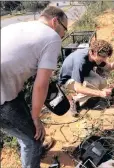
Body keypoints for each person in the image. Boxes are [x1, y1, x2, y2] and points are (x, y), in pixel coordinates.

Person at [0, 6, 68, 168]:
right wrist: (36, 118)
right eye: (63, 31)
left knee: (24, 130)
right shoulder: (52, 37)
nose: (62, 36)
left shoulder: (18, 26)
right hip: (3, 98)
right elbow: (40, 85)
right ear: (55, 21)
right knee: (33, 139)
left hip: (9, 92)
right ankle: (30, 150)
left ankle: (27, 148)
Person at [58, 40, 114, 117]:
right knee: (93, 85)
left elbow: (109, 67)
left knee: (102, 82)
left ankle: (89, 95)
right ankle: (73, 99)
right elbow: (78, 88)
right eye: (103, 57)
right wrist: (100, 93)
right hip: (68, 79)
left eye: (106, 57)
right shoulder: (80, 61)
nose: (104, 59)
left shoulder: (95, 56)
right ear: (93, 53)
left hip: (84, 73)